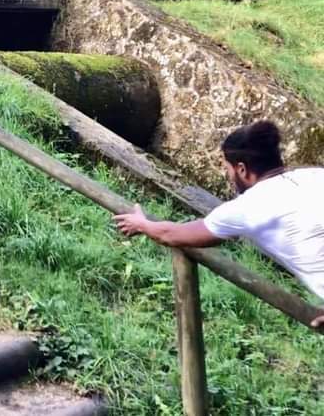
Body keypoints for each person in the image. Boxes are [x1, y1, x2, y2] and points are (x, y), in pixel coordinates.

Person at [114, 121, 324, 328]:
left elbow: (172, 234)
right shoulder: (315, 176)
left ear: (241, 169)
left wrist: (142, 224)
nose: (228, 176)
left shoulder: (250, 206)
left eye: (228, 168)